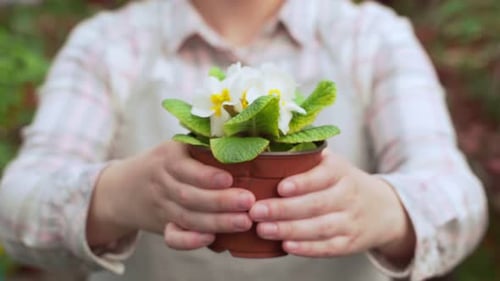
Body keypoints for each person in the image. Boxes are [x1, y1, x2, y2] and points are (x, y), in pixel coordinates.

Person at [0, 0, 488, 280]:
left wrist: (382, 209)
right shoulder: (108, 44)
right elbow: (16, 203)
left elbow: (457, 195)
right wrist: (117, 195)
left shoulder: (372, 36)